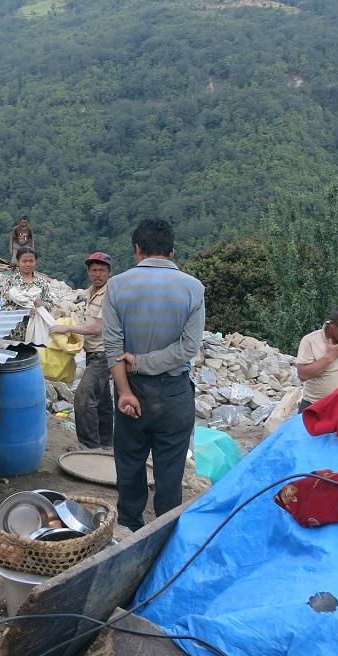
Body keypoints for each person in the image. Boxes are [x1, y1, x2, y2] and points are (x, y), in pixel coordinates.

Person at [102, 219, 205, 532]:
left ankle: (130, 531)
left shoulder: (117, 286)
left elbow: (112, 347)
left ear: (137, 249)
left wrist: (125, 391)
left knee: (130, 467)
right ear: (172, 251)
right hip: (174, 395)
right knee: (169, 474)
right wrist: (144, 362)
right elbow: (188, 348)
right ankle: (164, 535)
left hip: (131, 391)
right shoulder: (193, 288)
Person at [52, 251, 114, 450]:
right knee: (103, 400)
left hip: (104, 354)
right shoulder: (90, 292)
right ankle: (106, 444)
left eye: (102, 270)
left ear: (109, 273)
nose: (97, 274)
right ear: (88, 272)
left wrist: (68, 328)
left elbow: (98, 327)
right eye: (94, 270)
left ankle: (89, 447)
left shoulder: (110, 294)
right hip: (92, 352)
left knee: (83, 397)